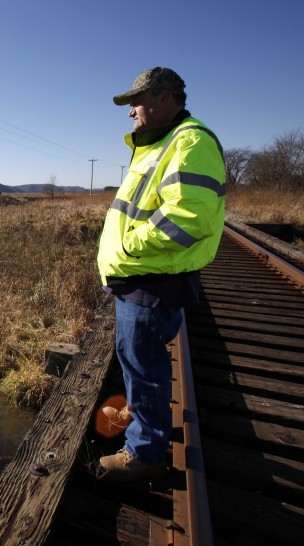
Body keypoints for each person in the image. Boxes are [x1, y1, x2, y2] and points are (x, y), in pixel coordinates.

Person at [96, 67, 225, 482]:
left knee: (146, 368)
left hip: (151, 281)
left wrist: (129, 247)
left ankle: (145, 454)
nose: (130, 110)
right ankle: (138, 417)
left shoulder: (190, 142)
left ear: (166, 98)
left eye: (137, 100)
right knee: (136, 362)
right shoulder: (159, 144)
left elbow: (189, 219)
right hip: (140, 280)